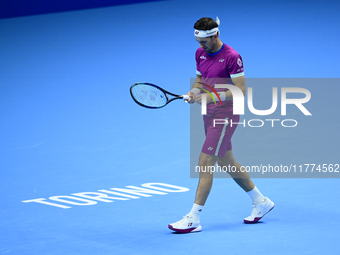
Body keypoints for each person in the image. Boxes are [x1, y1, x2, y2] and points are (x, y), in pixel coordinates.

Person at [168, 17, 274, 233]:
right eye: (198, 41)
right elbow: (200, 81)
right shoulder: (199, 53)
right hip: (209, 113)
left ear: (215, 35)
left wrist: (211, 98)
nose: (201, 46)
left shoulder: (232, 57)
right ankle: (261, 201)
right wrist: (193, 93)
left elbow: (241, 89)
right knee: (226, 160)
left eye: (205, 41)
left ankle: (193, 218)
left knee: (205, 161)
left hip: (226, 114)